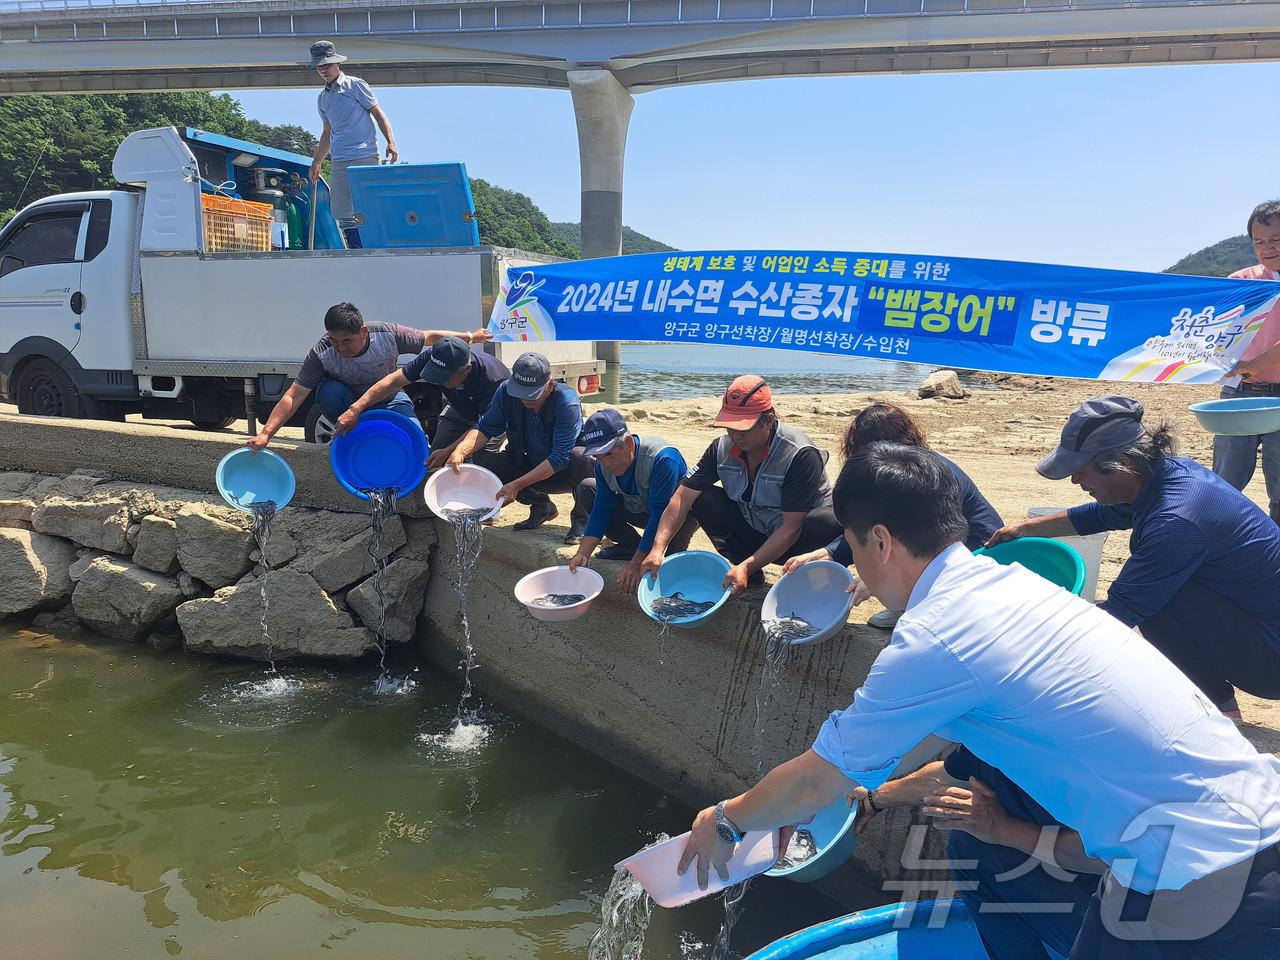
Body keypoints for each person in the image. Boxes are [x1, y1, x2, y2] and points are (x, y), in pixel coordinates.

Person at [678, 443, 1280, 959]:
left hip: (1207, 877)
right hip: (1244, 831)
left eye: (852, 548)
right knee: (989, 856)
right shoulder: (1010, 585)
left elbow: (817, 781)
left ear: (881, 542)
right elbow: (929, 753)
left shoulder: (937, 636)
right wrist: (853, 797)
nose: (853, 566)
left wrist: (727, 821)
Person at [987, 394, 1280, 717]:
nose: (1075, 480)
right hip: (1257, 625)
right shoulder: (1167, 475)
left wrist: (1021, 658)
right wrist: (1025, 529)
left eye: (1079, 470)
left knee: (1153, 598)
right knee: (1154, 589)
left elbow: (1118, 615)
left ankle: (1217, 708)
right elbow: (1103, 515)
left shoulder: (1176, 520)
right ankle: (1218, 703)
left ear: (1122, 463)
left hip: (1272, 659)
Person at [854, 746, 1102, 960]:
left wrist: (1003, 829)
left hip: (1128, 923)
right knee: (972, 845)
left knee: (974, 850)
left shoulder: (1087, 750)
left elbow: (1101, 856)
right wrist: (874, 798)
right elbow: (948, 776)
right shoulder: (1003, 727)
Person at [782, 401, 1003, 628]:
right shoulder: (891, 479)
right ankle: (906, 603)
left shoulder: (931, 476)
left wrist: (876, 578)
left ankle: (915, 606)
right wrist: (829, 552)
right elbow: (875, 525)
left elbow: (929, 541)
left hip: (982, 551)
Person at [642, 376, 841, 595]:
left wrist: (747, 565)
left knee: (827, 520)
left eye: (744, 428)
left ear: (769, 420)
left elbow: (790, 529)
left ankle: (808, 580)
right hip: (755, 530)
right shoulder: (721, 448)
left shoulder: (799, 454)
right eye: (730, 426)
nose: (736, 435)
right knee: (703, 498)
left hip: (798, 542)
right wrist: (657, 548)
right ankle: (749, 574)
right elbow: (682, 497)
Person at [245, 302, 488, 452]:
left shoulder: (387, 334)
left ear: (363, 332)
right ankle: (359, 442)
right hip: (345, 401)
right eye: (334, 340)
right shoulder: (321, 353)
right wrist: (266, 434)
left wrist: (470, 336)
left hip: (389, 398)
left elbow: (429, 337)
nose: (340, 347)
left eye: (346, 341)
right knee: (328, 392)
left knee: (415, 440)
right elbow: (294, 395)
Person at [447, 352, 593, 536]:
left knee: (582, 457)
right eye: (521, 393)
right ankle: (541, 505)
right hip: (528, 461)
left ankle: (583, 520)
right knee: (482, 457)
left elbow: (559, 459)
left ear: (550, 384)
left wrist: (516, 485)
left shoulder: (566, 402)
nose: (525, 399)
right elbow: (484, 429)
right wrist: (460, 450)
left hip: (563, 472)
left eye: (532, 394)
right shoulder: (505, 392)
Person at [567, 409, 697, 593]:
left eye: (609, 454)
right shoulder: (602, 466)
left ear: (628, 443)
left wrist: (636, 564)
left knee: (667, 564)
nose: (606, 464)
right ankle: (633, 547)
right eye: (598, 457)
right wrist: (583, 553)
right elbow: (601, 509)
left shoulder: (663, 459)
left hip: (674, 518)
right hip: (639, 508)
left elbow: (660, 515)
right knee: (587, 489)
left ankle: (639, 553)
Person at [336, 335, 510, 466]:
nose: (441, 381)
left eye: (446, 377)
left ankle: (484, 510)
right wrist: (356, 408)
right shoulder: (436, 356)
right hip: (459, 409)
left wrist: (453, 450)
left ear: (466, 369)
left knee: (480, 460)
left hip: (492, 420)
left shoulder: (493, 380)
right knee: (435, 457)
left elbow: (483, 427)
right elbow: (393, 381)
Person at [1219, 200, 1280, 525]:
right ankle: (1221, 554)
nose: (1268, 248)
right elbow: (1213, 330)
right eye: (1260, 242)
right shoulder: (1241, 281)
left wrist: (1256, 362)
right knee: (1224, 483)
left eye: (1276, 239)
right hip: (1238, 393)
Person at [307, 40, 398, 249]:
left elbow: (378, 114)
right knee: (341, 211)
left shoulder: (355, 85)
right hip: (339, 158)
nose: (324, 70)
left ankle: (377, 247)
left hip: (364, 153)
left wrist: (391, 141)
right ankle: (357, 250)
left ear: (337, 64)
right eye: (320, 67)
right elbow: (327, 132)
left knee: (366, 206)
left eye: (327, 65)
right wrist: (317, 162)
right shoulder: (322, 99)